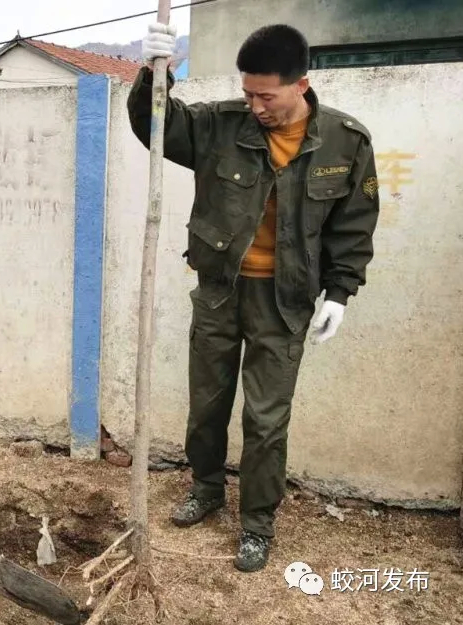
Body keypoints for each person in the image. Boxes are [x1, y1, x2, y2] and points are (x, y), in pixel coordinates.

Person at [129, 23, 380, 572]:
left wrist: (339, 291)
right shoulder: (220, 124)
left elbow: (353, 226)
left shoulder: (345, 141)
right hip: (220, 290)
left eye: (266, 95)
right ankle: (207, 488)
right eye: (248, 92)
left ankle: (257, 524)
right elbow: (157, 128)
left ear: (301, 84)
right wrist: (154, 76)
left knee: (266, 421)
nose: (255, 104)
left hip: (286, 300)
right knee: (208, 403)